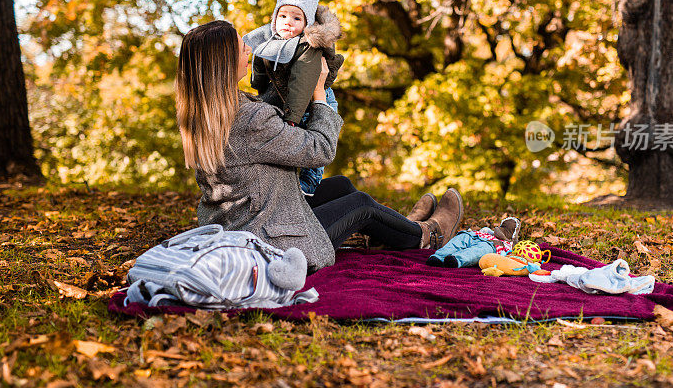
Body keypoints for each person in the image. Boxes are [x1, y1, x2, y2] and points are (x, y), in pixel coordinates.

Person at [175, 20, 463, 272]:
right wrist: (317, 93)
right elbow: (320, 149)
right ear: (223, 63)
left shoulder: (206, 112)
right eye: (241, 49)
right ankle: (427, 234)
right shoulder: (248, 119)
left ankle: (397, 228)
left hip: (242, 220)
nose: (249, 50)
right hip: (270, 243)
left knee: (341, 188)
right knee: (361, 205)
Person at [243, 0, 343, 196]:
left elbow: (303, 81)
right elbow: (260, 62)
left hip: (315, 99)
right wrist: (258, 86)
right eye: (283, 16)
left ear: (307, 23)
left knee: (314, 143)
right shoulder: (271, 38)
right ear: (275, 17)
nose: (288, 22)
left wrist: (293, 117)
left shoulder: (309, 46)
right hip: (287, 98)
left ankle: (311, 180)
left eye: (296, 18)